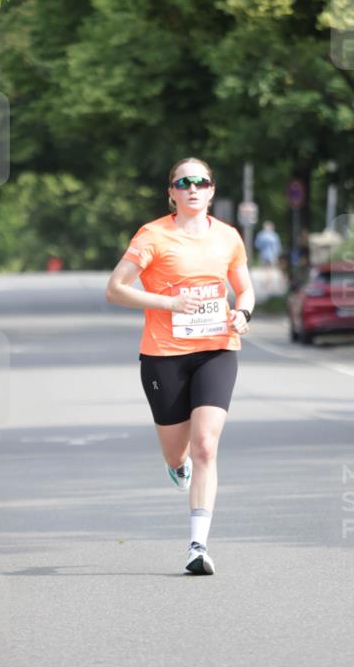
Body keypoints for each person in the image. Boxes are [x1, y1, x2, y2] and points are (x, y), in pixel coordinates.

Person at [106, 157, 255, 575]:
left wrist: (243, 314)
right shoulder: (152, 235)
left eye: (201, 181)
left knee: (207, 444)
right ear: (171, 192)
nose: (193, 187)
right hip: (163, 355)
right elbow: (115, 290)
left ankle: (197, 547)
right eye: (183, 182)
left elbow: (244, 290)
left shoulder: (228, 237)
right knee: (177, 453)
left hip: (218, 349)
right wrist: (168, 303)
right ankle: (178, 467)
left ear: (211, 190)